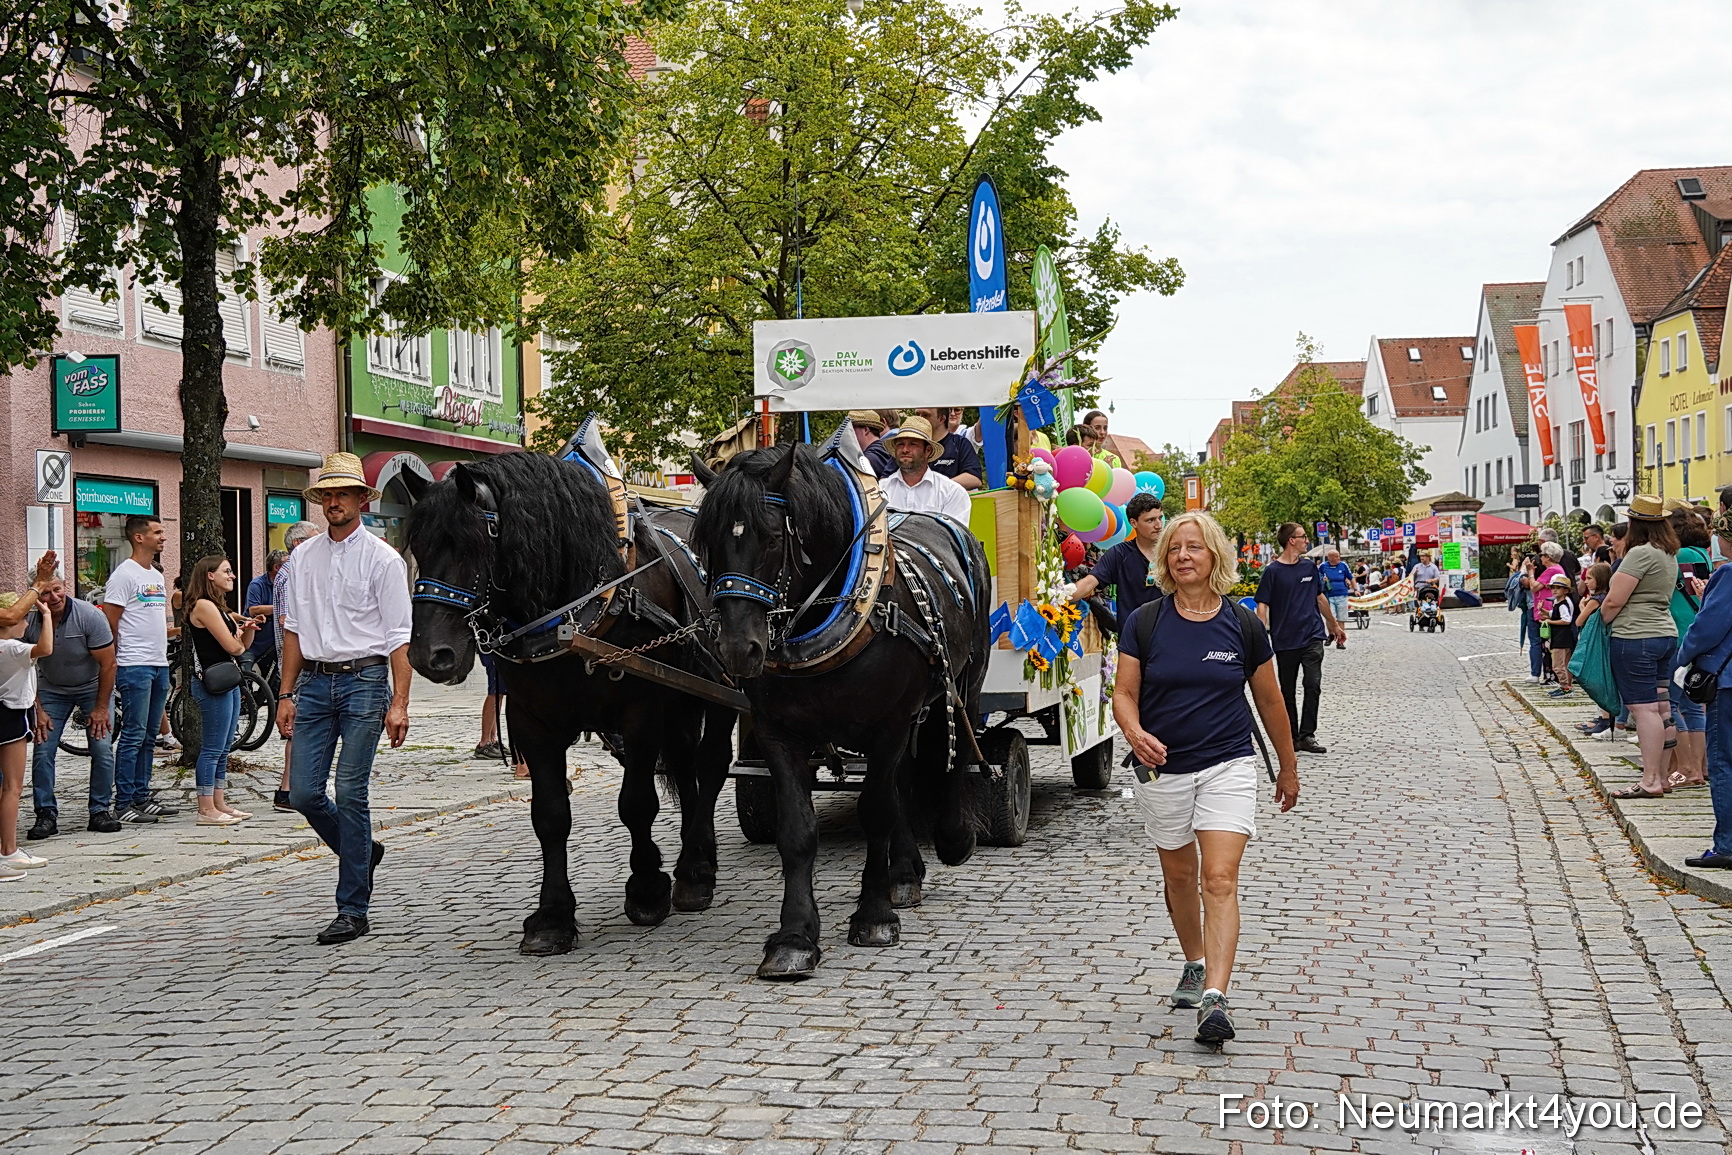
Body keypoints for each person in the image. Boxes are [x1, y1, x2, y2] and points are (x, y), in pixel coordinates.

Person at [1112, 511, 1298, 1046]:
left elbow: (1269, 700)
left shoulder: (1242, 624)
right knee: (1179, 876)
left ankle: (1215, 998)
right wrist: (1133, 731)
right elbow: (1124, 692)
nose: (1183, 556)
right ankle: (1194, 961)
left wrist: (1287, 766)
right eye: (1174, 549)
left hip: (1228, 762)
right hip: (1162, 767)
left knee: (1218, 878)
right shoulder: (1145, 622)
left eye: (1194, 547)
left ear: (1214, 555)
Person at [277, 453, 414, 945]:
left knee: (352, 792)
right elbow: (293, 629)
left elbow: (400, 637)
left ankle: (352, 908)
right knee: (303, 794)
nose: (333, 502)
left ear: (361, 499)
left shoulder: (383, 559)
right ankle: (361, 850)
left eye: (342, 494)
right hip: (312, 683)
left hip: (365, 681)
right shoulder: (300, 558)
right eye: (326, 495)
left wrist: (399, 702)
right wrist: (285, 693)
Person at [1599, 496, 1681, 799]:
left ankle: (1649, 780)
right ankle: (1662, 776)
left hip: (1635, 636)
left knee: (1643, 709)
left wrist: (1602, 623)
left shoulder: (1640, 554)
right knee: (1662, 708)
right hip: (1663, 634)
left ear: (1635, 524)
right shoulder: (1667, 553)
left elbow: (1614, 600)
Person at [25, 574, 119, 837]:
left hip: (92, 686)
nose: (53, 597)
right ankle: (45, 813)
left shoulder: (89, 616)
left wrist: (101, 707)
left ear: (66, 587)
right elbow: (24, 668)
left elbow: (109, 664)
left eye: (57, 590)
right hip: (50, 688)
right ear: (35, 596)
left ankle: (99, 810)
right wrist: (38, 709)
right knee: (43, 749)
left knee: (101, 747)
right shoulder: (29, 621)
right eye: (45, 593)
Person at [103, 516, 177, 825]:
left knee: (149, 735)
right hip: (134, 664)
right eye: (157, 532)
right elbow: (110, 622)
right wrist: (114, 660)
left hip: (159, 663)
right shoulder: (124, 575)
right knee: (133, 733)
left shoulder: (156, 576)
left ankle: (142, 795)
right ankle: (124, 802)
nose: (163, 537)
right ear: (138, 537)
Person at [1255, 523, 1345, 755]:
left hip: (1312, 634)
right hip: (1285, 639)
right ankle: (1292, 736)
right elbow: (1262, 604)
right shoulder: (1272, 572)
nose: (1307, 540)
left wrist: (1333, 625)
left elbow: (1320, 597)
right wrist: (1259, 634)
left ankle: (1307, 735)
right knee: (1287, 690)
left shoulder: (1309, 568)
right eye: (1303, 537)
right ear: (1290, 541)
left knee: (1312, 684)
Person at [184, 555, 261, 825]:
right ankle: (205, 808)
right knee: (213, 746)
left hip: (227, 679)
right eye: (226, 571)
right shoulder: (203, 606)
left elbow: (243, 645)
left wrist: (246, 630)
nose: (232, 576)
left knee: (224, 745)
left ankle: (219, 802)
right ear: (209, 575)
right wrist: (237, 640)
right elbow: (233, 648)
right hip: (210, 682)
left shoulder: (219, 607)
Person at [1675, 509, 1732, 869]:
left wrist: (1684, 655)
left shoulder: (1727, 574)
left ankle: (1726, 843)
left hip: (1727, 682)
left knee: (1723, 760)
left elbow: (1707, 627)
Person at [0, 588, 54, 880]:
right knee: (12, 786)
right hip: (10, 714)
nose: (26, 623)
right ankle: (8, 848)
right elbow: (45, 649)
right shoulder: (13, 649)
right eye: (23, 618)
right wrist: (46, 618)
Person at [1663, 510, 1712, 790]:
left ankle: (1684, 769)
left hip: (1677, 630)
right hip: (1697, 632)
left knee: (1672, 703)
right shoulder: (1702, 554)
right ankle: (1699, 767)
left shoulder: (1676, 556)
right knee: (1694, 705)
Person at [1064, 493, 1165, 628]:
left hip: (1168, 633)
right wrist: (1058, 598)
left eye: (1160, 518)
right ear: (1133, 523)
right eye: (1150, 520)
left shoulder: (1172, 552)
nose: (1158, 525)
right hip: (1133, 638)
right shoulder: (1120, 554)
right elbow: (1089, 583)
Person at [878, 417, 972, 523]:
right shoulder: (880, 490)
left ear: (928, 451)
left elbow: (952, 537)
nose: (905, 450)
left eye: (913, 444)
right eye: (900, 444)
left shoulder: (952, 492)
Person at [1574, 563, 1617, 738]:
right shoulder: (1608, 597)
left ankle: (1605, 718)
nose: (1586, 581)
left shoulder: (1595, 600)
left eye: (1590, 578)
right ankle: (1604, 717)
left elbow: (1579, 621)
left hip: (1596, 643)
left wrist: (1582, 608)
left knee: (1598, 678)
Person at [243, 550, 288, 682]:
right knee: (244, 673)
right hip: (253, 642)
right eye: (287, 565)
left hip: (273, 644)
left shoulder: (288, 585)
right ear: (277, 567)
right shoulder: (257, 585)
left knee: (275, 683)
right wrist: (282, 609)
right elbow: (253, 610)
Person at [913, 407, 983, 490]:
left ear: (942, 418)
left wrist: (937, 488)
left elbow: (974, 478)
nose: (920, 419)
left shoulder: (961, 441)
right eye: (917, 415)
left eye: (926, 415)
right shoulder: (909, 444)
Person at [1545, 573, 1576, 697]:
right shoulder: (1558, 603)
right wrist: (1545, 612)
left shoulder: (1563, 604)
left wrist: (1549, 621)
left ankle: (1565, 687)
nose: (1554, 590)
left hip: (1561, 638)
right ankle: (1567, 686)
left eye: (1558, 588)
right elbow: (1554, 613)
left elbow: (1566, 620)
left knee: (1557, 665)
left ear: (1566, 590)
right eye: (1553, 587)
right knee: (1566, 663)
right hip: (1563, 637)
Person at [1318, 548, 1355, 650]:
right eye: (1336, 556)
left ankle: (1340, 641)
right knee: (1331, 617)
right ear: (1330, 558)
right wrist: (1322, 580)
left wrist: (1355, 588)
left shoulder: (1343, 565)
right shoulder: (1323, 566)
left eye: (1339, 556)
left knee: (1341, 618)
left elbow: (1351, 577)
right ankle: (1331, 634)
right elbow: (1317, 578)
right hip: (1329, 595)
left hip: (1342, 594)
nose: (1338, 558)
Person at [846, 409, 896, 479]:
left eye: (851, 428)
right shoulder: (879, 448)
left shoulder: (881, 450)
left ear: (866, 430)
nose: (848, 433)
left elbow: (867, 461)